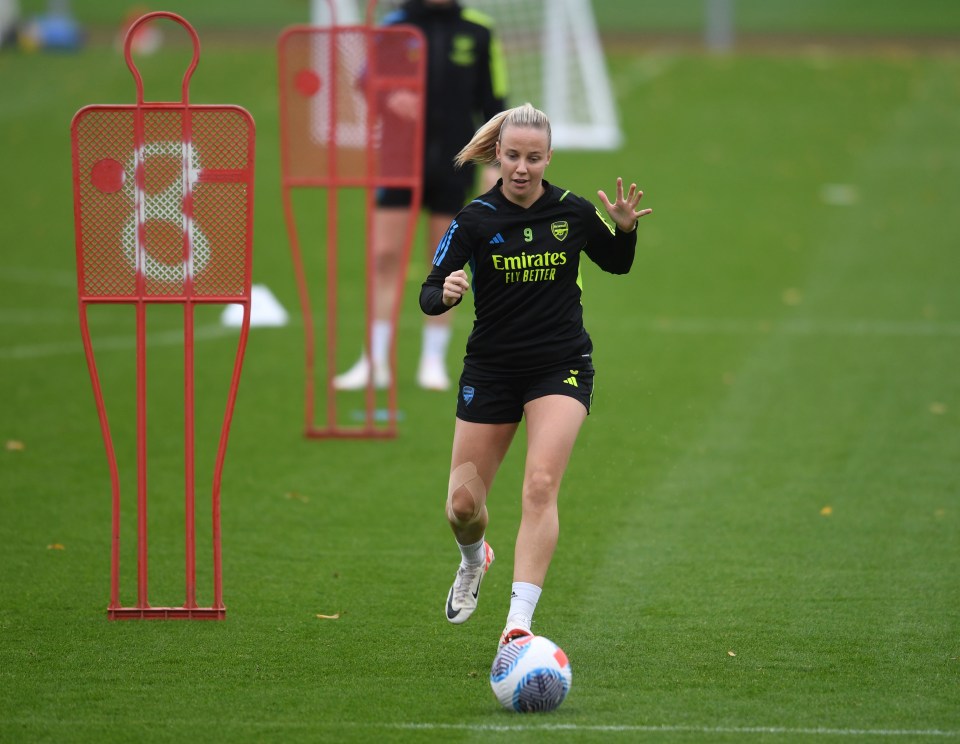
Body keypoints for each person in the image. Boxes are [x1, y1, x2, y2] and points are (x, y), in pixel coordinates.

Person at [419, 103, 652, 645]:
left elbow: (617, 263)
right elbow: (431, 289)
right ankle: (474, 558)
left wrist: (624, 231)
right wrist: (446, 292)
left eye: (533, 157)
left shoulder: (572, 211)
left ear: (548, 158)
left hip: (561, 366)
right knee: (462, 507)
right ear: (497, 155)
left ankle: (517, 625)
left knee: (541, 485)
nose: (521, 168)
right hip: (492, 370)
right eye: (512, 156)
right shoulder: (474, 219)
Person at [334, 0, 507, 392]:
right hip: (397, 159)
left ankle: (433, 360)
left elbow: (495, 101)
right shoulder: (394, 26)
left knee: (444, 262)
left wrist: (493, 165)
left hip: (454, 163)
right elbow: (366, 81)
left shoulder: (478, 30)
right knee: (384, 256)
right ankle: (373, 360)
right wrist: (389, 96)